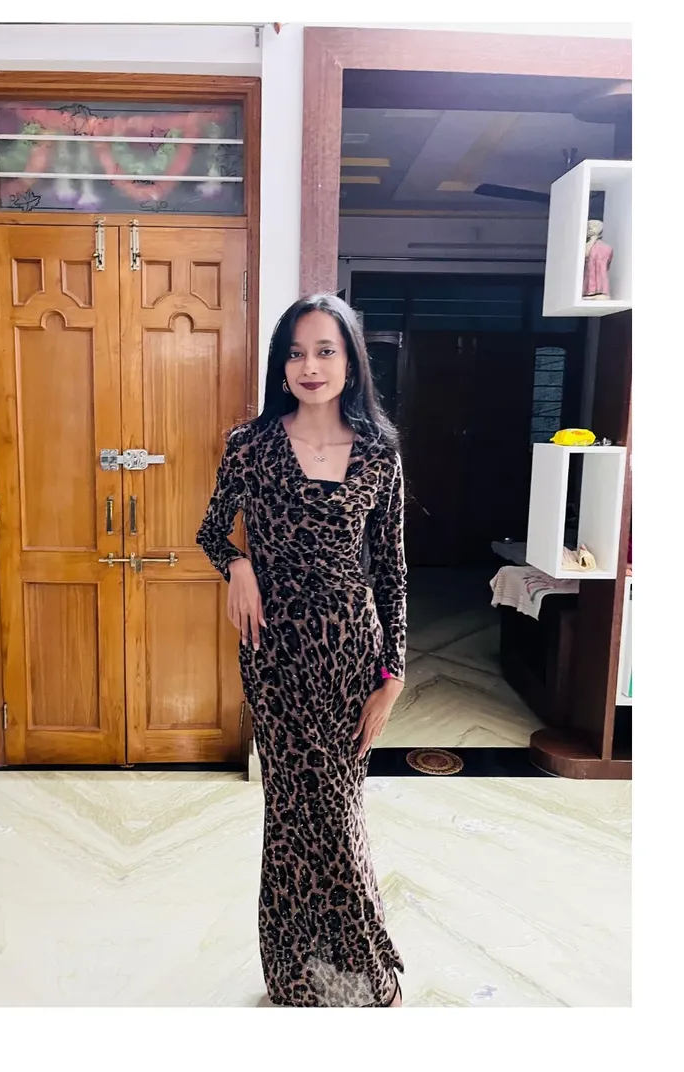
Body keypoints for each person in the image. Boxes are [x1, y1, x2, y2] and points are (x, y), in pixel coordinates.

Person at [196, 293, 407, 1008]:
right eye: (295, 352)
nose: (309, 366)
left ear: (350, 361)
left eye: (324, 350)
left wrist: (393, 675)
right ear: (279, 365)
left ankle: (362, 963)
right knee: (291, 811)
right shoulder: (250, 446)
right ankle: (294, 972)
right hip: (274, 654)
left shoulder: (379, 454)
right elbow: (210, 532)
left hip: (351, 655)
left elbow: (392, 572)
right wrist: (239, 564)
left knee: (340, 808)